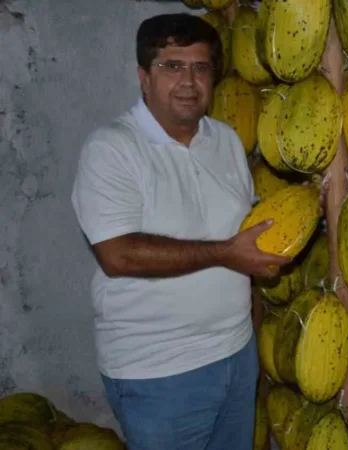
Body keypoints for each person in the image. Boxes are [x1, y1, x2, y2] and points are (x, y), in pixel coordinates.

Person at [70, 13, 296, 450]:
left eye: (200, 67)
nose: (188, 81)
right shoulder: (112, 148)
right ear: (143, 76)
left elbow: (241, 238)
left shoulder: (227, 140)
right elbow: (118, 255)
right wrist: (226, 254)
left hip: (235, 357)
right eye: (171, 66)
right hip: (160, 373)